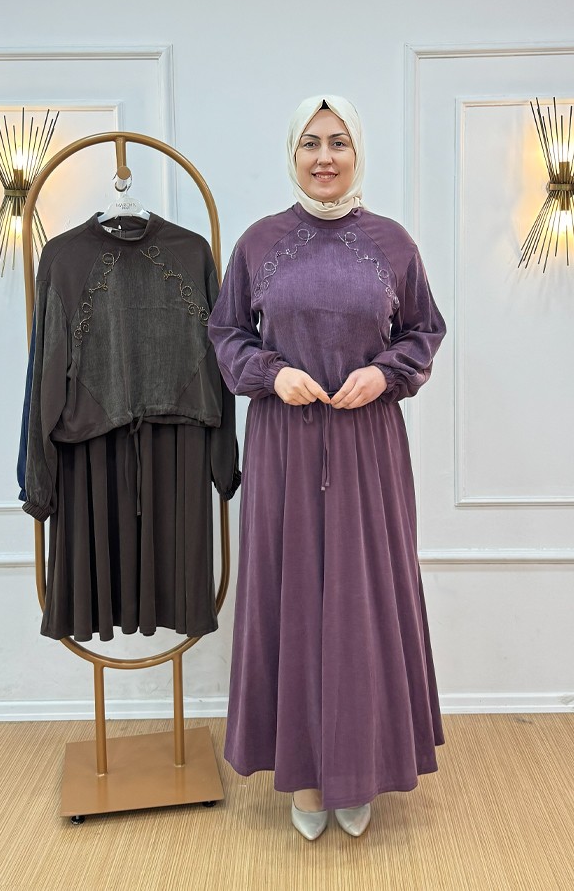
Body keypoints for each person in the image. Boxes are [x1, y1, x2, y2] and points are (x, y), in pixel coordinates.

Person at [207, 94, 446, 841]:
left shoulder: (393, 244)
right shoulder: (259, 243)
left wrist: (385, 373)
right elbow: (225, 332)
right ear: (293, 152)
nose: (324, 157)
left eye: (338, 142)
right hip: (282, 444)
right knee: (290, 598)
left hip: (368, 447)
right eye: (311, 143)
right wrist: (271, 373)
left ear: (356, 151)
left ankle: (359, 765)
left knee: (361, 602)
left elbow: (424, 331)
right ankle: (305, 774)